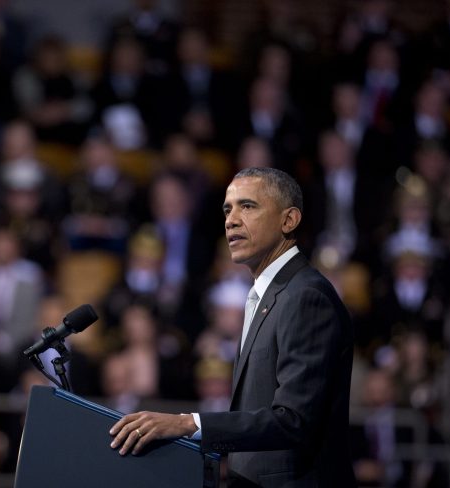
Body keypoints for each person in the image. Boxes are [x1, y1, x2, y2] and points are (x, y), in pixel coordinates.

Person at [109, 167, 356, 487]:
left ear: (289, 220)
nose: (231, 220)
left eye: (248, 206)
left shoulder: (306, 297)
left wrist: (187, 424)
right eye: (228, 209)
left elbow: (293, 420)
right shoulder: (268, 296)